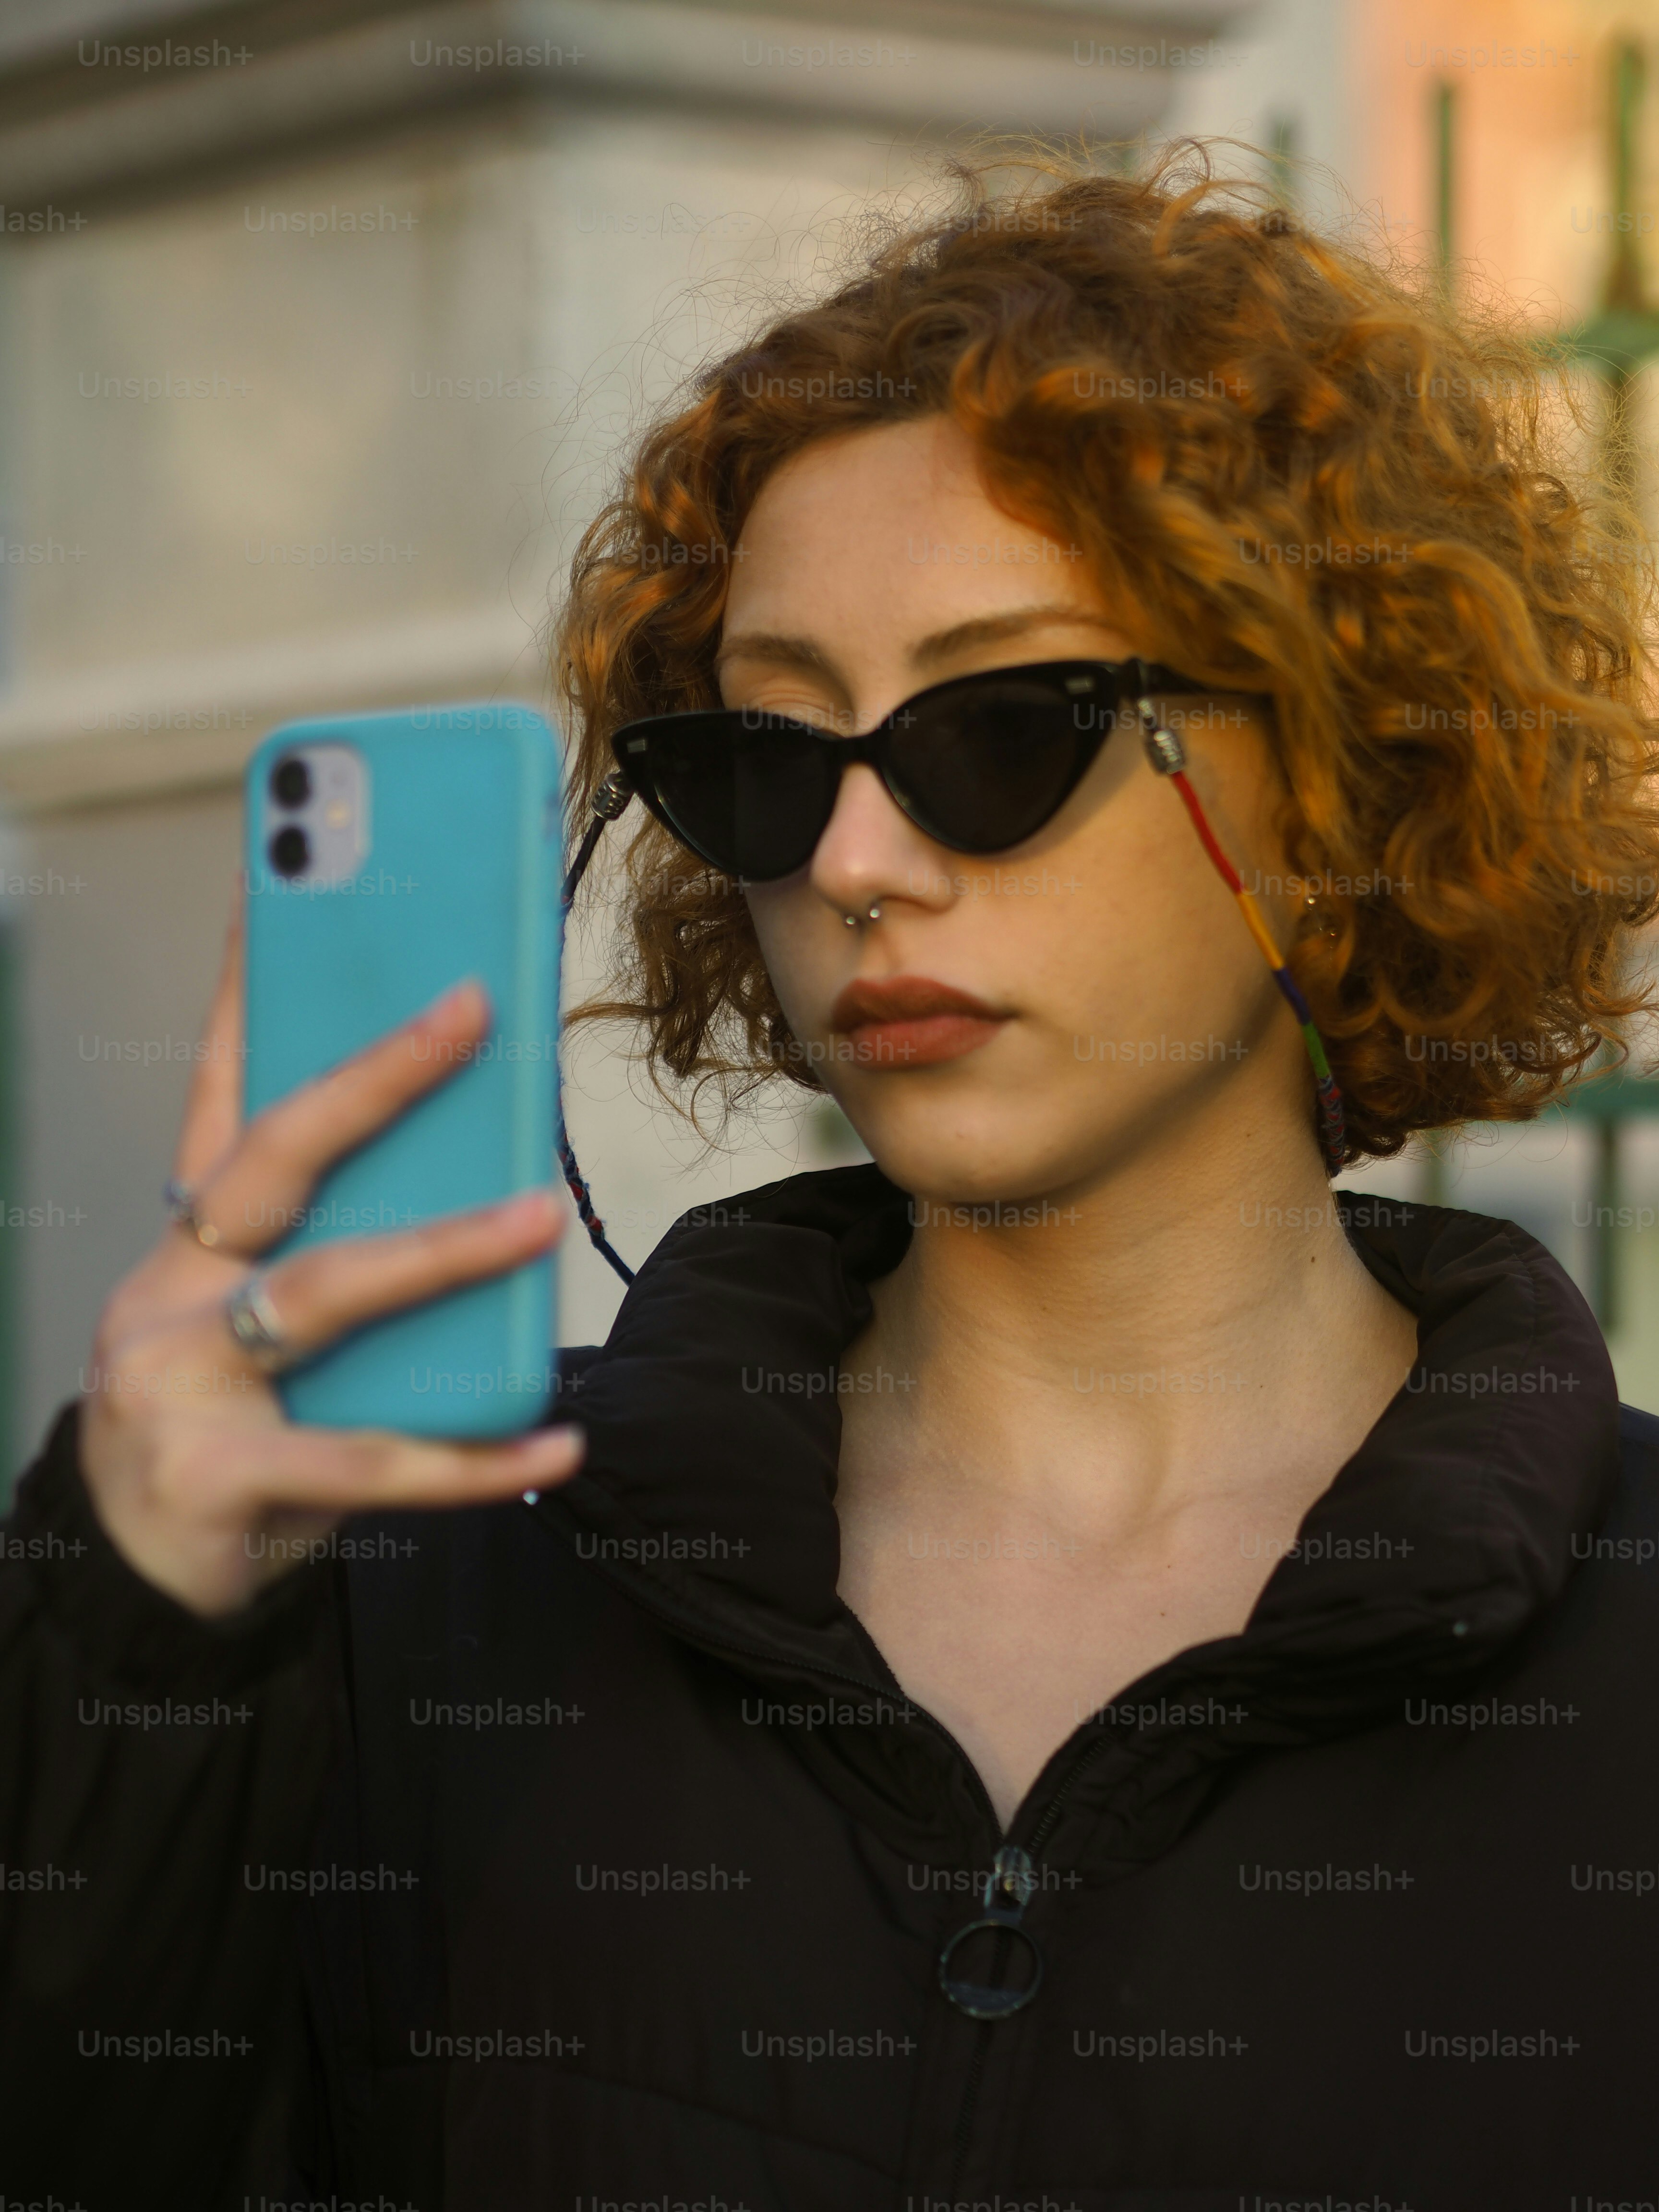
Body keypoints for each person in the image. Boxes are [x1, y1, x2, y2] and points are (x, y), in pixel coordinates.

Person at [5, 145, 1659, 2212]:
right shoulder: (415, 1580)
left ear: (1336, 780)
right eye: (772, 758)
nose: (861, 867)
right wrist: (133, 1641)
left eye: (1003, 726)